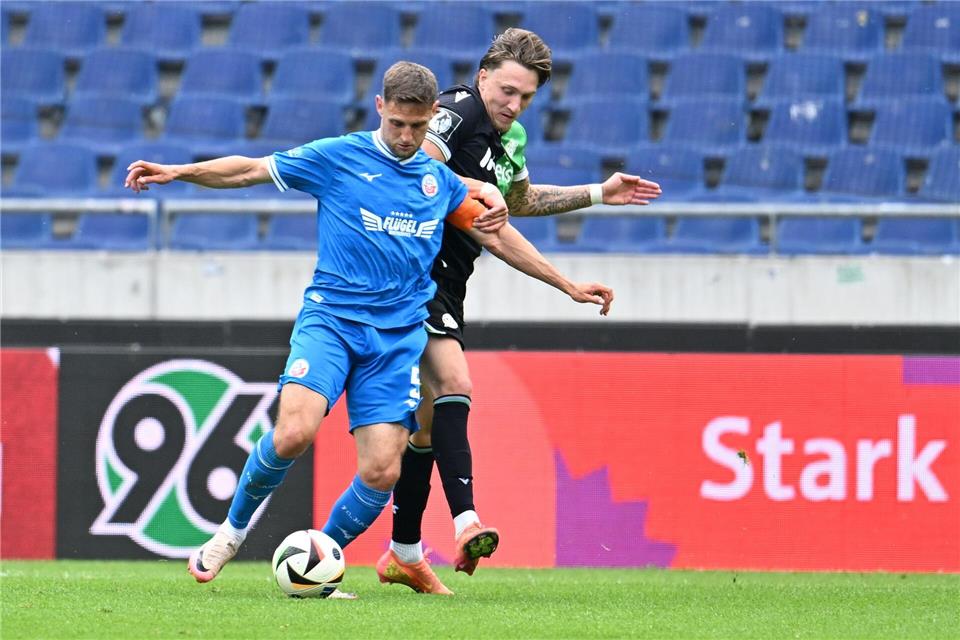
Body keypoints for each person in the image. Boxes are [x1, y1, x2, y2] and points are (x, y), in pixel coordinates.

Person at [124, 61, 615, 595]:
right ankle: (229, 534)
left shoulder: (440, 182)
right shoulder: (339, 157)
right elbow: (250, 170)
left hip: (396, 340)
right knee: (294, 433)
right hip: (332, 322)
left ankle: (320, 564)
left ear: (432, 118)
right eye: (397, 124)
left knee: (383, 471)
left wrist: (566, 284)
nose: (406, 138)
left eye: (418, 127)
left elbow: (497, 236)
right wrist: (179, 171)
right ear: (380, 109)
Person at [378, 29, 661, 593]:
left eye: (526, 98)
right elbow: (416, 172)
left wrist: (599, 194)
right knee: (455, 381)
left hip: (450, 280)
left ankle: (403, 552)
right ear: (482, 76)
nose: (513, 105)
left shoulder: (510, 139)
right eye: (506, 90)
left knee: (428, 429)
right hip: (411, 271)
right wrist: (477, 194)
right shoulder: (455, 113)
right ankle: (466, 522)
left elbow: (519, 203)